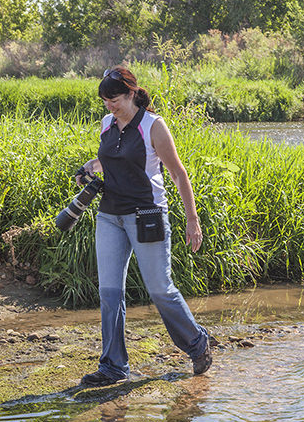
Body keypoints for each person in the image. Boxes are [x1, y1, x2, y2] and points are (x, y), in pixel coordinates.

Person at [75, 65, 211, 386]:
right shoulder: (107, 123)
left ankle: (197, 343)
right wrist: (88, 168)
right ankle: (113, 367)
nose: (110, 106)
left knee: (160, 290)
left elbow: (178, 174)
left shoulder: (153, 126)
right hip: (110, 216)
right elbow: (108, 159)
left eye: (116, 99)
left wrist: (193, 220)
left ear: (132, 93)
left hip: (147, 216)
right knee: (109, 293)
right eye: (105, 100)